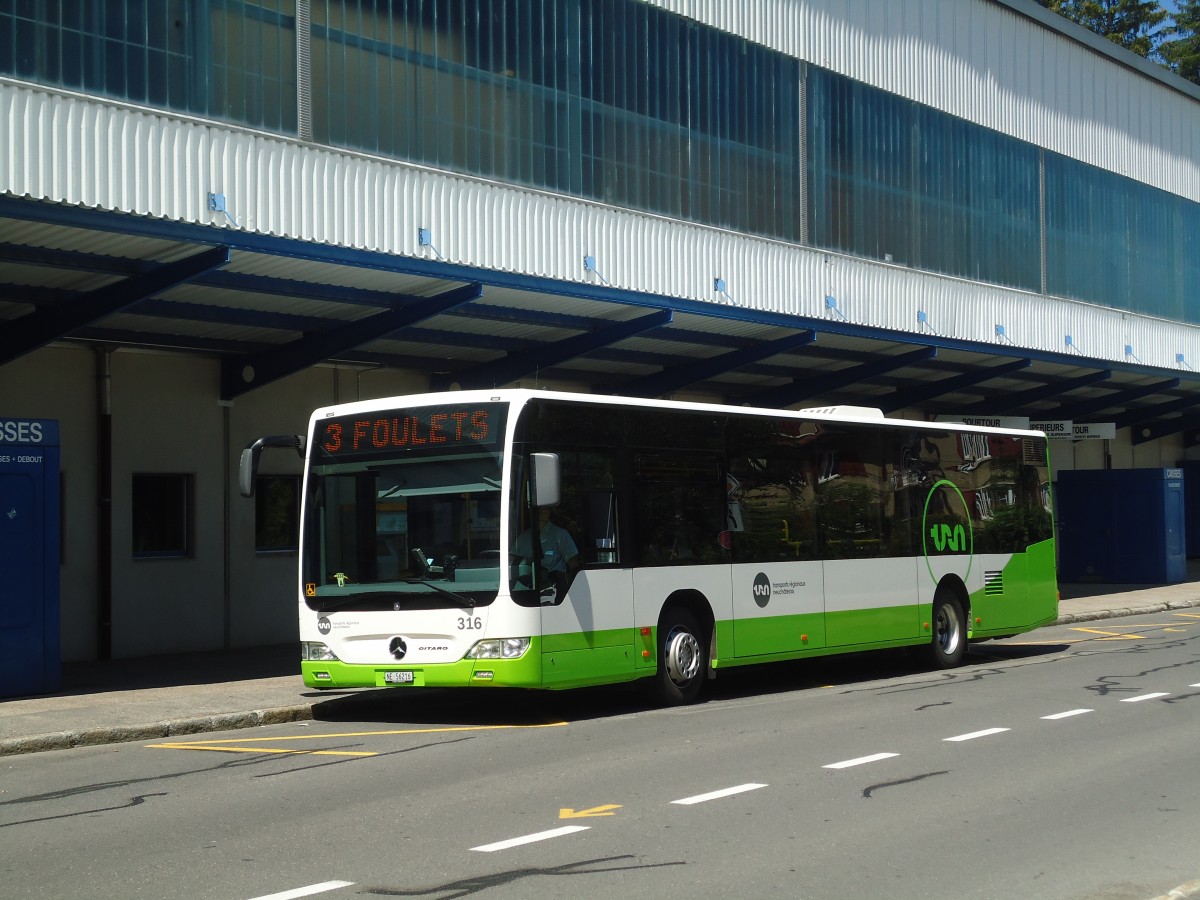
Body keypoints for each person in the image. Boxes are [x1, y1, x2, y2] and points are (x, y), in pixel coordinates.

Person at [513, 507, 580, 603]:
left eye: (544, 509)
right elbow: (511, 562)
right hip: (527, 589)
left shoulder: (560, 534)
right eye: (538, 509)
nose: (541, 512)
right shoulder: (524, 537)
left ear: (550, 511)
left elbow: (573, 563)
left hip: (554, 588)